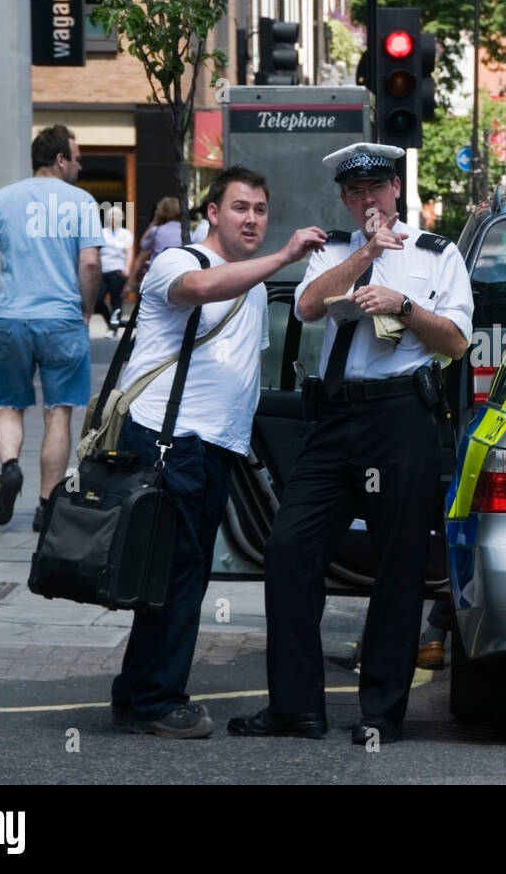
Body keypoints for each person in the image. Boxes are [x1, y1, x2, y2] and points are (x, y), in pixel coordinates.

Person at [229, 143, 472, 744]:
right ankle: (296, 708)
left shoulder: (435, 255)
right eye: (356, 193)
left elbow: (457, 343)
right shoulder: (334, 250)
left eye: (378, 190)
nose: (369, 201)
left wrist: (403, 305)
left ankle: (381, 713)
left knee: (398, 565)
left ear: (396, 189)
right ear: (344, 198)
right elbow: (309, 307)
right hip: (336, 418)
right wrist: (366, 253)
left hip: (399, 417)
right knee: (288, 550)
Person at [110, 166, 326, 739]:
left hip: (211, 448)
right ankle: (156, 700)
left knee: (181, 571)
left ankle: (138, 693)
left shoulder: (251, 284)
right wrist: (284, 257)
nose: (251, 218)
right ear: (212, 212)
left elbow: (240, 369)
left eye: (259, 208)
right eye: (239, 207)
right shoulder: (179, 262)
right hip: (167, 441)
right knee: (175, 573)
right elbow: (202, 292)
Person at [0, 125, 102, 532]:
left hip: (12, 319)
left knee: (10, 404)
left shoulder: (4, 199)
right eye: (76, 158)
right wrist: (87, 308)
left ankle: (9, 468)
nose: (79, 165)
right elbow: (91, 264)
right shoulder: (81, 202)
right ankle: (46, 505)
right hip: (62, 319)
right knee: (57, 412)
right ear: (60, 160)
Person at [128, 196, 183, 291]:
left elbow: (142, 244)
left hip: (157, 277)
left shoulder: (156, 231)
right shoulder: (186, 232)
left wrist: (153, 223)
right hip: (179, 276)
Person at [96, 205, 134, 333]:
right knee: (97, 300)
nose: (113, 218)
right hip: (102, 271)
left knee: (116, 301)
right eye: (111, 216)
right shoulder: (102, 232)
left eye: (116, 216)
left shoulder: (126, 234)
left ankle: (113, 329)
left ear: (121, 218)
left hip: (117, 271)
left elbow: (129, 252)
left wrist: (127, 268)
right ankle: (110, 323)